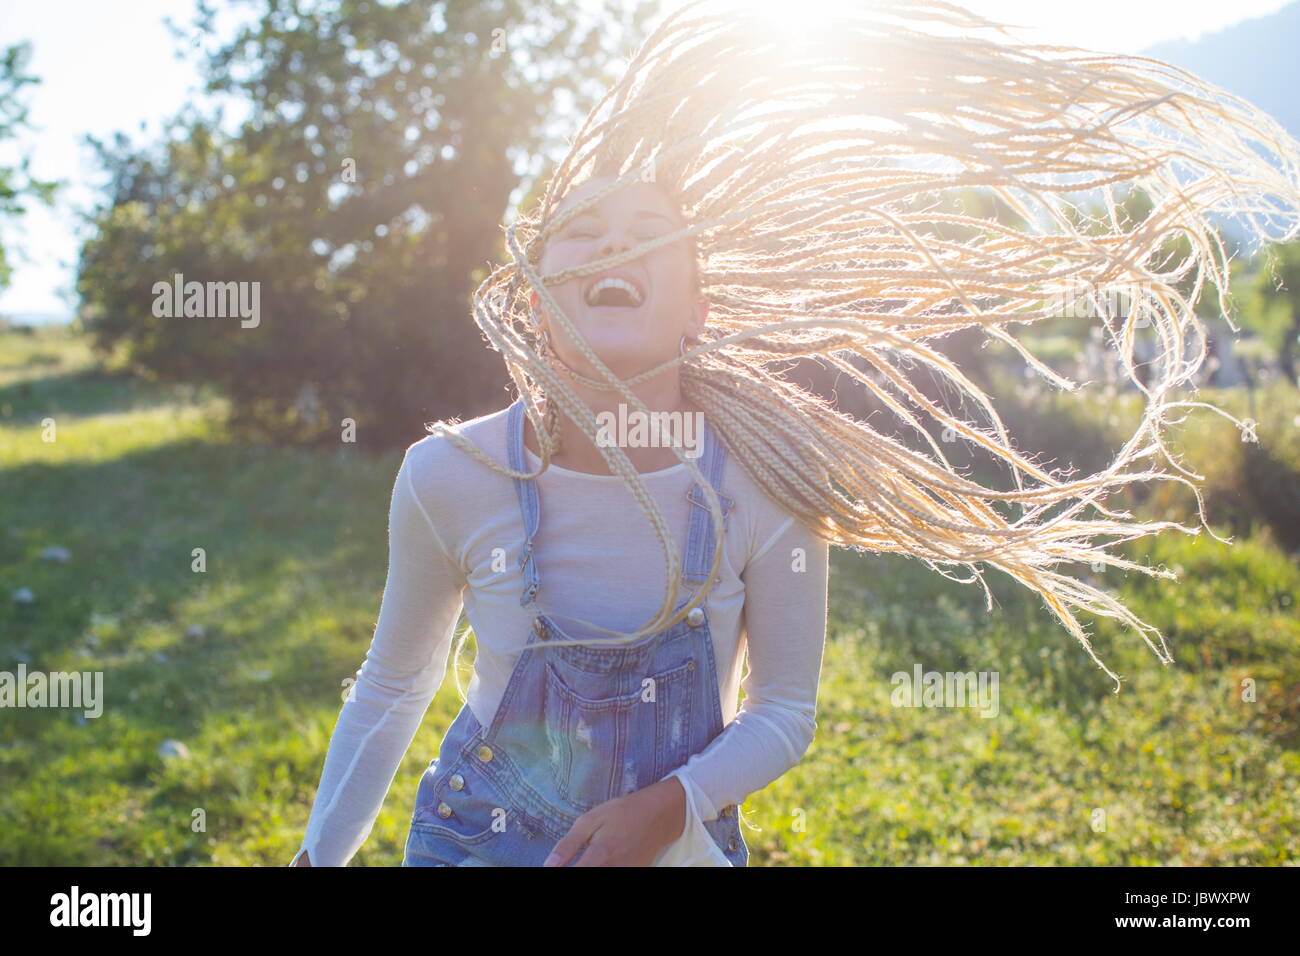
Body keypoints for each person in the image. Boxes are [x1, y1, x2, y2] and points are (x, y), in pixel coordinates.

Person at [291, 0, 1300, 865]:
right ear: (539, 302)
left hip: (680, 844)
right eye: (583, 236)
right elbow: (393, 682)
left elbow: (784, 711)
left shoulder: (764, 479)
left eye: (646, 235)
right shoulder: (448, 473)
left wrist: (665, 808)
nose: (613, 245)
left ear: (695, 306)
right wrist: (315, 855)